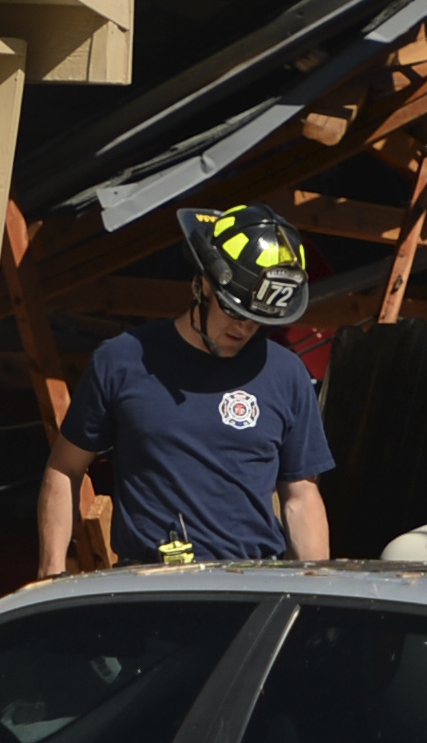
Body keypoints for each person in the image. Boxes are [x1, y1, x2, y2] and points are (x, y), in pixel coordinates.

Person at [37, 203, 335, 575]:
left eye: (259, 320)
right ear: (203, 283)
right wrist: (51, 573)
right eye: (235, 312)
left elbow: (301, 495)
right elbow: (64, 469)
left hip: (251, 589)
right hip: (149, 588)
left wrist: (315, 585)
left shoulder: (287, 374)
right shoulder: (122, 360)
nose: (244, 329)